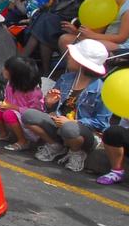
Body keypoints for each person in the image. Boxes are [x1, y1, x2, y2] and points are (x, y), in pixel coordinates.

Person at [22, 39, 112, 172]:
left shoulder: (102, 89)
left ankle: (77, 152)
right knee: (29, 115)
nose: (68, 57)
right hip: (59, 124)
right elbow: (52, 109)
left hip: (81, 132)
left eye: (72, 56)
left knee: (69, 128)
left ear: (81, 63)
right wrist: (49, 103)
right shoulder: (66, 78)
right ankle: (55, 145)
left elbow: (102, 123)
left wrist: (74, 121)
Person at [0, 55, 43, 151]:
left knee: (9, 114)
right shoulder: (11, 84)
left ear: (16, 74)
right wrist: (3, 105)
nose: (3, 69)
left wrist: (12, 107)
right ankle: (4, 134)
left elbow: (35, 112)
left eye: (6, 69)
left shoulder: (34, 92)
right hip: (13, 111)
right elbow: (8, 99)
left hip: (26, 118)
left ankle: (23, 141)